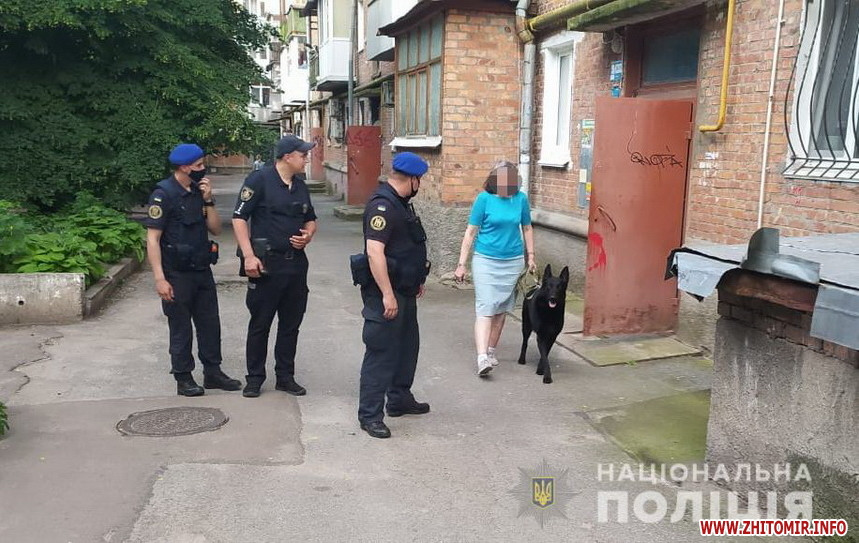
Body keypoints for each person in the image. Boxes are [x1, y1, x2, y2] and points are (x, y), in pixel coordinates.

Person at [144, 143, 242, 396]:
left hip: (201, 270)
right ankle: (183, 377)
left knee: (210, 324)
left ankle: (213, 372)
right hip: (176, 274)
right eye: (199, 165)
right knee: (181, 328)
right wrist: (160, 278)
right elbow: (153, 239)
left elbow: (216, 229)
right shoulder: (163, 194)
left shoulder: (199, 192)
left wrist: (208, 200)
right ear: (185, 167)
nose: (203, 168)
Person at [232, 134, 318, 398]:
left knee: (291, 325)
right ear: (287, 157)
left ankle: (285, 377)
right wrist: (249, 256)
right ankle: (255, 378)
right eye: (303, 155)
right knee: (260, 324)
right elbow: (239, 218)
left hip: (295, 266)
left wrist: (308, 235)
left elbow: (310, 218)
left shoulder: (300, 185)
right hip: (267, 265)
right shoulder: (259, 180)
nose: (306, 159)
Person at [357, 152, 432, 439]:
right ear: (412, 180)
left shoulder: (401, 204)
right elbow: (374, 252)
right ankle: (370, 416)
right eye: (420, 180)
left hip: (405, 289)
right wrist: (387, 294)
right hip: (385, 293)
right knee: (381, 352)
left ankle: (399, 399)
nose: (420, 185)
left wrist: (416, 280)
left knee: (407, 347)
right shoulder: (383, 206)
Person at [454, 160, 537, 377]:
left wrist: (531, 257)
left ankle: (491, 350)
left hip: (513, 261)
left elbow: (527, 228)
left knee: (501, 308)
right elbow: (471, 232)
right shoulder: (484, 199)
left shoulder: (521, 199)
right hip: (485, 260)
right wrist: (461, 264)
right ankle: (482, 357)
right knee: (486, 306)